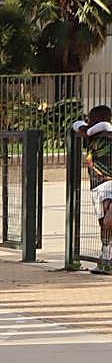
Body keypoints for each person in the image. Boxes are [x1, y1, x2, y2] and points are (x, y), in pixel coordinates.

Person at [74, 106, 112, 274]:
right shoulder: (93, 135)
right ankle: (106, 257)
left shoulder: (105, 134)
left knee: (107, 219)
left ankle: (107, 257)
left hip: (105, 183)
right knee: (103, 223)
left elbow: (100, 127)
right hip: (97, 185)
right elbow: (78, 126)